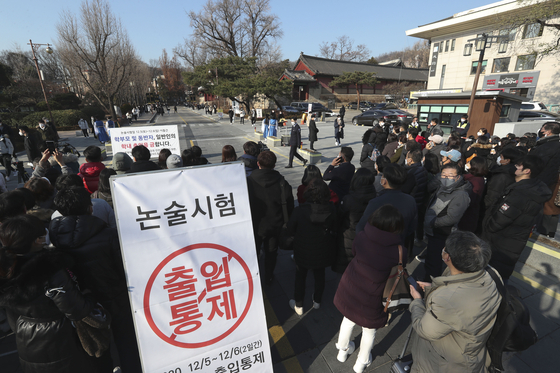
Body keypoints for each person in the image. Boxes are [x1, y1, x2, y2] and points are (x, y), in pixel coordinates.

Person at [49, 187, 142, 372]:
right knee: (127, 343)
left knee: (96, 347)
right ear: (90, 207)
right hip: (115, 297)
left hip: (82, 302)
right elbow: (123, 268)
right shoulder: (108, 235)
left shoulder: (54, 237)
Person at [0, 215, 104, 373]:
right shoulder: (49, 268)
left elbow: (12, 317)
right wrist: (90, 295)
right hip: (59, 339)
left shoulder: (6, 269)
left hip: (25, 339)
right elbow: (76, 309)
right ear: (37, 240)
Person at [409, 231, 501, 373]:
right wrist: (433, 288)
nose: (443, 250)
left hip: (444, 364)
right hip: (472, 356)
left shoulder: (448, 300)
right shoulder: (492, 275)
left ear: (447, 257)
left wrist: (417, 301)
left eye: (445, 249)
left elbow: (425, 330)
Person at [334, 205, 405, 373]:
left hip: (352, 285)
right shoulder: (399, 250)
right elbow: (399, 269)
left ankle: (342, 351)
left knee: (348, 319)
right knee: (369, 329)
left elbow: (354, 252)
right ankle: (361, 362)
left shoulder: (361, 236)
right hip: (374, 294)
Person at [483, 155, 551, 281]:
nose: (515, 167)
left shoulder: (521, 193)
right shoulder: (534, 188)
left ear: (527, 171)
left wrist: (487, 226)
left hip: (501, 242)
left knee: (493, 278)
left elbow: (501, 219)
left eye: (519, 165)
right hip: (512, 242)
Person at [288, 178, 338, 315]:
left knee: (300, 276)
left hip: (303, 249)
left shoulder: (300, 210)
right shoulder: (331, 209)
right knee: (320, 275)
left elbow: (290, 228)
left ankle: (298, 304)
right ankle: (317, 301)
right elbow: (335, 228)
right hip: (322, 249)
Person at [247, 151, 294, 285]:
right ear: (274, 165)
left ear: (258, 164)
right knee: (271, 254)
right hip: (274, 226)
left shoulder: (248, 182)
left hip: (254, 226)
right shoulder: (282, 183)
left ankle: (252, 279)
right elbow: (290, 205)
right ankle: (268, 277)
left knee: (254, 253)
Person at [423, 163, 471, 281]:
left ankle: (429, 286)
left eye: (450, 175)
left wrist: (433, 223)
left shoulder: (461, 195)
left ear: (458, 177)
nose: (446, 178)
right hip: (433, 231)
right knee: (431, 260)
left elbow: (452, 218)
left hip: (442, 233)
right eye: (443, 175)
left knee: (434, 264)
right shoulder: (442, 187)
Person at [335, 168, 377, 273]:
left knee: (343, 273)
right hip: (368, 238)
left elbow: (339, 218)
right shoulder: (376, 198)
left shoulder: (348, 199)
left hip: (348, 238)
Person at [530, 122, 560, 236]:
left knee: (544, 206)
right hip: (552, 181)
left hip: (543, 181)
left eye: (543, 129)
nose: (541, 130)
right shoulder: (555, 144)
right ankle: (549, 232)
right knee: (552, 207)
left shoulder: (547, 146)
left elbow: (537, 164)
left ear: (548, 132)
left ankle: (541, 230)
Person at [458, 156, 488, 233]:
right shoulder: (477, 178)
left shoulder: (474, 182)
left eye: (469, 163)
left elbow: (470, 201)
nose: (467, 164)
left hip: (466, 216)